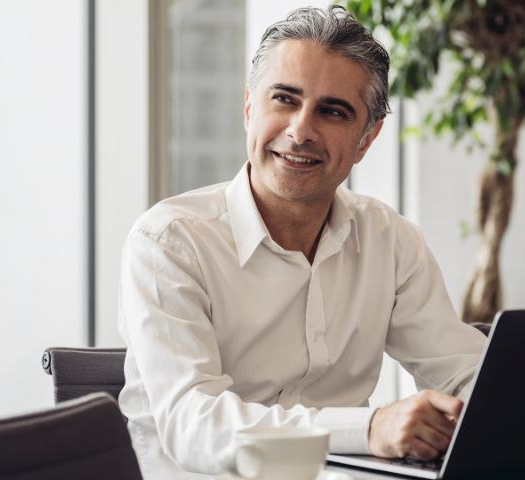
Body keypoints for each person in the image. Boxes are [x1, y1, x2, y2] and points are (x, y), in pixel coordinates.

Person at [117, 5, 486, 478]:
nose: (301, 131)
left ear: (366, 139)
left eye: (333, 111)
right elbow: (194, 421)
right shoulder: (168, 242)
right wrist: (368, 428)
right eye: (285, 100)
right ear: (250, 108)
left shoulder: (390, 241)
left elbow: (463, 372)